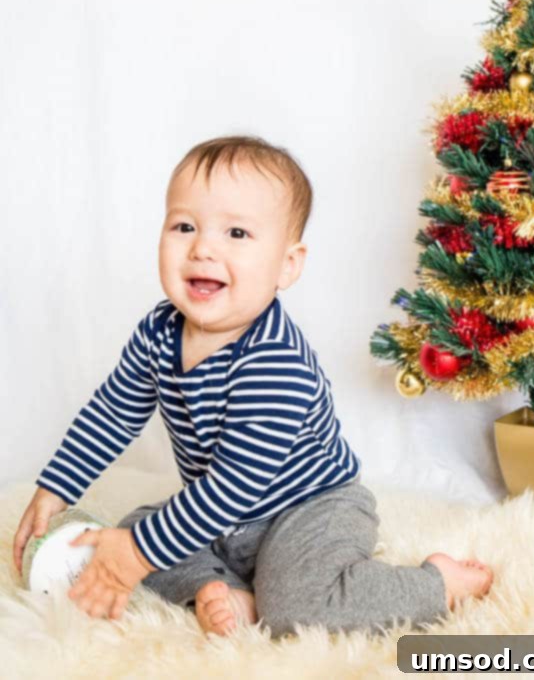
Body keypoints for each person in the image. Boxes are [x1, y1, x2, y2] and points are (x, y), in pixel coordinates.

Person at [13, 135, 493, 637]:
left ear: (287, 265)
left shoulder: (274, 361)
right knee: (130, 528)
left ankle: (436, 585)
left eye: (237, 233)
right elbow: (113, 411)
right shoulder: (159, 331)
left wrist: (134, 556)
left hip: (309, 507)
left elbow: (235, 484)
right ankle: (229, 592)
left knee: (295, 609)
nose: (203, 248)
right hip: (223, 518)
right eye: (184, 226)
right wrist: (56, 489)